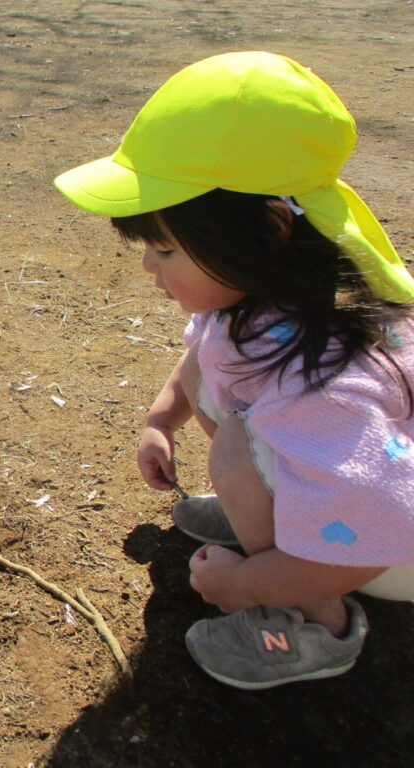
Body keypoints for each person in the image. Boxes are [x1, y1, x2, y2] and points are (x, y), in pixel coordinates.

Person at [54, 51, 414, 689]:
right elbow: (202, 358)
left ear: (269, 228)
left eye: (165, 248)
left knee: (237, 451)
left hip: (381, 544)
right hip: (351, 501)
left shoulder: (323, 383)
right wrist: (162, 418)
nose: (148, 266)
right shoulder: (259, 297)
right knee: (220, 401)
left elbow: (373, 534)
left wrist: (245, 582)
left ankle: (311, 627)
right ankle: (279, 518)